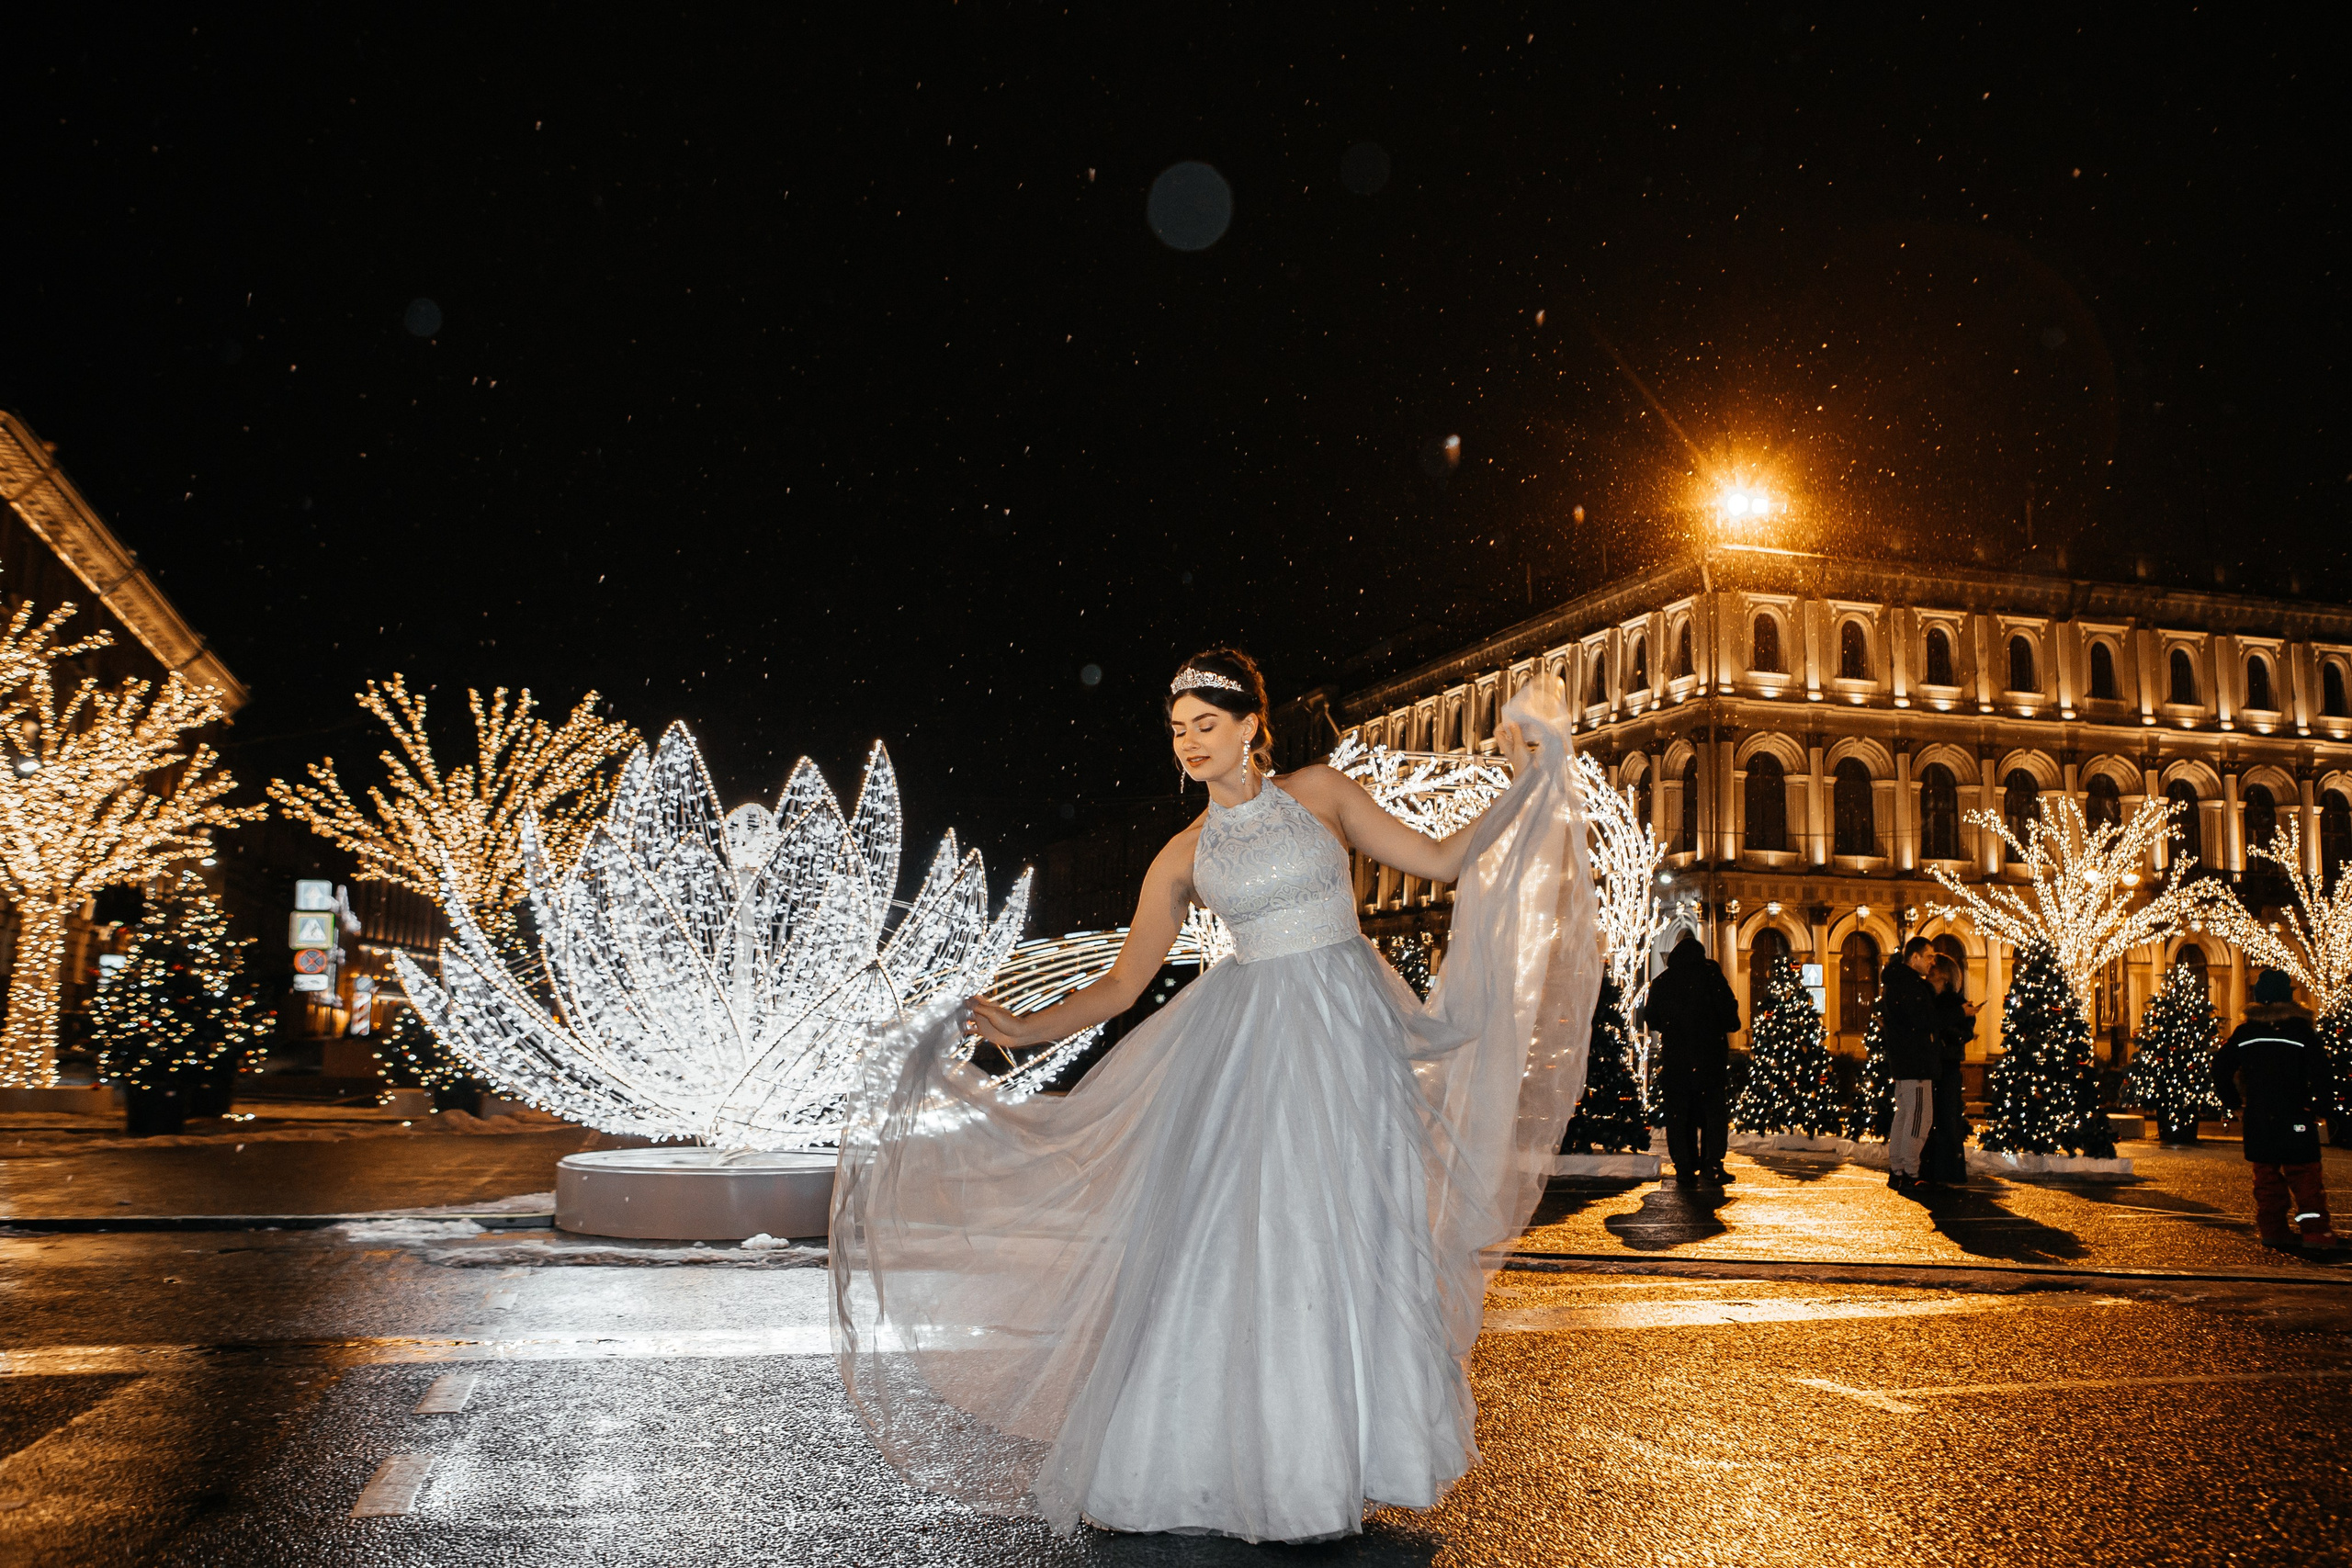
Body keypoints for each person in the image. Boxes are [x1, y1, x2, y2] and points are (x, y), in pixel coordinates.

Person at [831, 648, 1600, 1542]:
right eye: (1176, 730)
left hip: (1352, 1044)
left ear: (1249, 726)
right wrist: (1020, 1027)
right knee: (1254, 1240)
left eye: (1205, 724)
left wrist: (1532, 782)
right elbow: (1120, 987)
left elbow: (1440, 859)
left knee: (1354, 1236)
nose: (1190, 742)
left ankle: (1337, 1458)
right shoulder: (1181, 856)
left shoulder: (1321, 793)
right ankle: (1222, 1461)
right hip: (1251, 1050)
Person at [2214, 969, 2341, 1253]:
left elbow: (2220, 1069)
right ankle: (2315, 1232)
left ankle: (2273, 1230)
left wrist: (2234, 1104)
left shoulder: (2246, 1033)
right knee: (2305, 1176)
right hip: (2295, 1114)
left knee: (2267, 1177)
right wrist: (2320, 1107)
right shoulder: (2301, 1032)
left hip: (2259, 1116)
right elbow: (2322, 1073)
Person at [1644, 931, 1741, 1189]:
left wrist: (1672, 1026)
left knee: (1679, 1115)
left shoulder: (1662, 981)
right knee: (1714, 1114)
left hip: (1676, 1060)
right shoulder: (1712, 978)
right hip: (1710, 1059)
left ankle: (1684, 1168)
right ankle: (1712, 1165)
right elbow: (1731, 1019)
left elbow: (1651, 1018)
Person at [1876, 937, 1941, 1192]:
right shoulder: (1910, 985)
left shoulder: (1897, 983)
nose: (1932, 962)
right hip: (1916, 1064)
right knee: (1918, 1119)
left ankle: (1898, 1170)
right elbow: (1924, 1020)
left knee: (1904, 1117)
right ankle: (1910, 1173)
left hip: (1905, 1064)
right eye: (1928, 956)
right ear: (1914, 957)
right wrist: (1959, 1014)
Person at [1922, 953, 1982, 1186]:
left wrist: (1944, 1035)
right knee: (1926, 1119)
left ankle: (1950, 1171)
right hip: (1927, 1066)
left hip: (1948, 1066)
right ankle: (1929, 1170)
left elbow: (1964, 1034)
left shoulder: (1957, 1003)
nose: (1930, 970)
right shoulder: (1925, 999)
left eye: (1935, 967)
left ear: (1946, 975)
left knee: (1947, 1119)